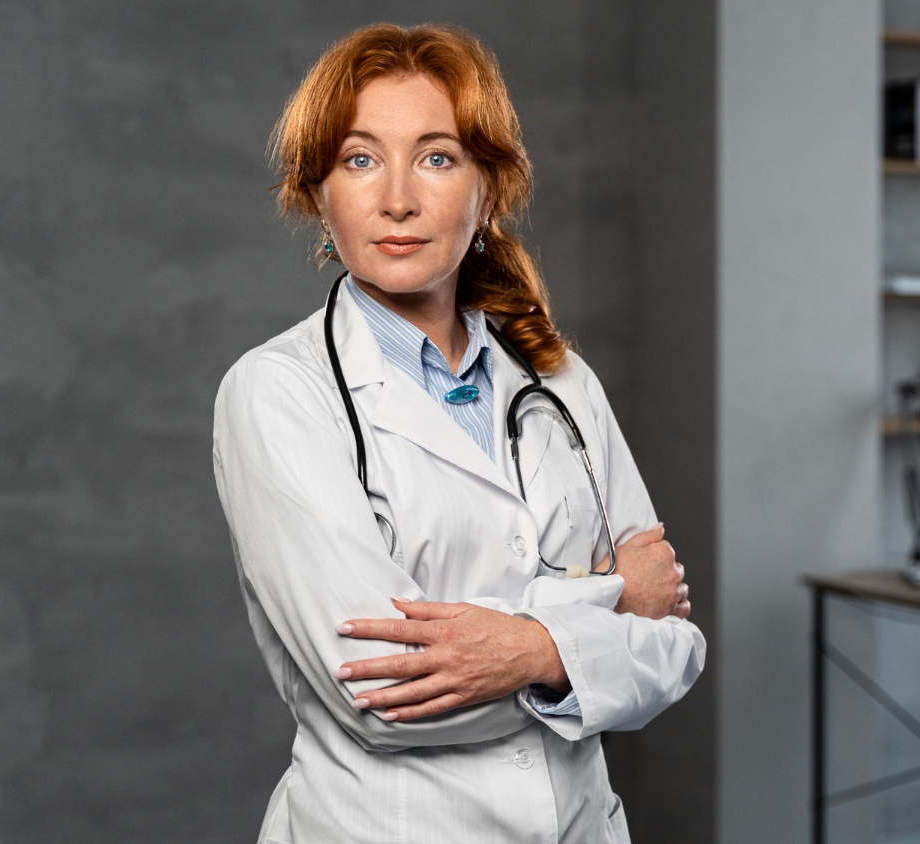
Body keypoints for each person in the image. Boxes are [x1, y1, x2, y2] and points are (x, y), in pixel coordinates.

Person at [212, 23, 705, 844]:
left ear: (489, 190)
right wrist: (604, 608)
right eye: (359, 160)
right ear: (318, 195)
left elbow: (673, 650)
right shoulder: (278, 392)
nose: (397, 198)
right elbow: (383, 695)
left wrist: (524, 644)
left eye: (436, 158)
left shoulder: (561, 382)